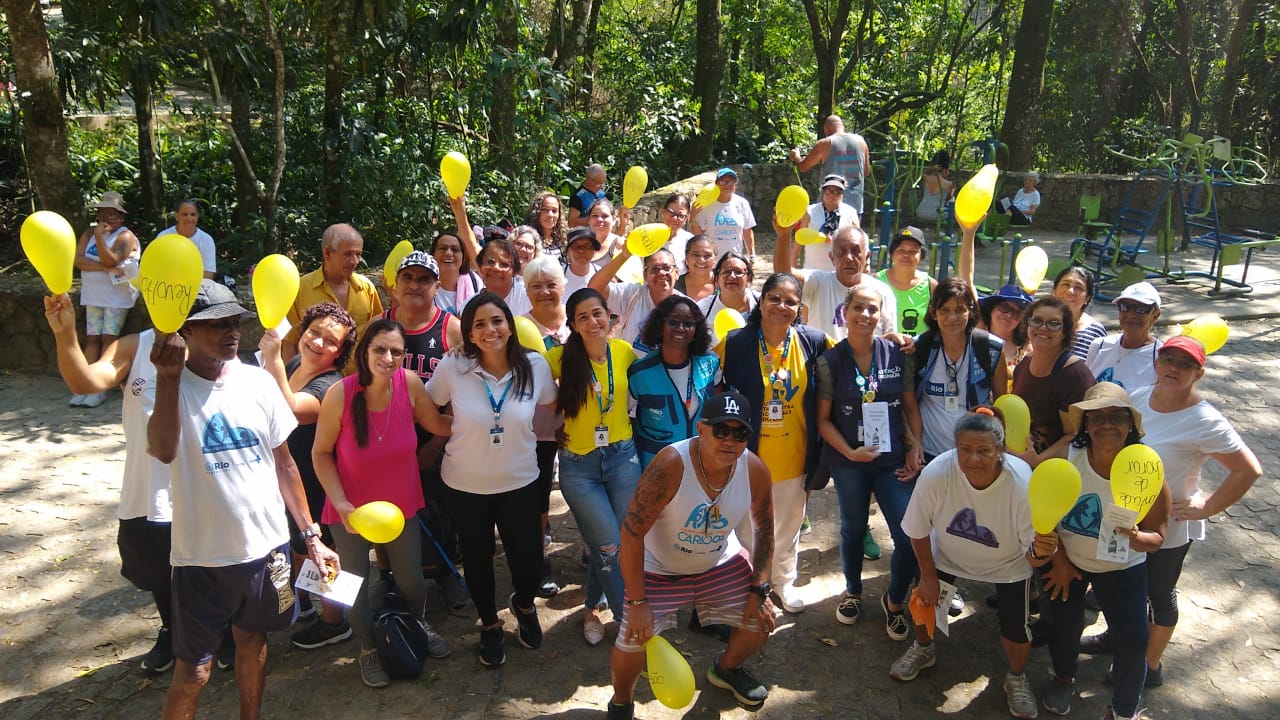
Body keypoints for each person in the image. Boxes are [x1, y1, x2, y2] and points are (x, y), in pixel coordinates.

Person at [145, 280, 340, 718]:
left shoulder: (258, 383)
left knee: (253, 642)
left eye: (235, 322)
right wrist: (168, 379)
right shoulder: (171, 387)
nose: (232, 333)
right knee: (193, 674)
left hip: (266, 552)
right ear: (186, 333)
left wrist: (311, 537)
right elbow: (161, 450)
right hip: (202, 560)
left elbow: (286, 466)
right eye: (218, 325)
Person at [1082, 337, 1261, 687]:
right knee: (1121, 589)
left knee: (1158, 594)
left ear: (1199, 373)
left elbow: (1248, 469)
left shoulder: (1205, 420)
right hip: (1125, 522)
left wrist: (1207, 506)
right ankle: (1116, 639)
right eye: (1168, 360)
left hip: (1169, 529)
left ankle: (1149, 665)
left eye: (1185, 364)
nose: (1174, 369)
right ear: (1157, 362)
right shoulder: (1136, 398)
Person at [605, 392, 777, 719]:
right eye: (720, 431)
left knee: (762, 619)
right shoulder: (671, 464)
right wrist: (637, 603)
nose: (729, 440)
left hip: (718, 561)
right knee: (631, 639)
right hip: (658, 568)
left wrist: (759, 589)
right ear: (701, 428)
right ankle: (622, 701)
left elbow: (766, 530)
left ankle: (725, 668)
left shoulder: (754, 470)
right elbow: (631, 531)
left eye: (739, 433)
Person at [45, 293, 187, 672]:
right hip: (149, 484)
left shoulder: (210, 345)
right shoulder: (134, 346)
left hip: (201, 483)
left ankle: (218, 633)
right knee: (157, 564)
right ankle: (172, 630)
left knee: (208, 562)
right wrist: (65, 334)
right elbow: (87, 381)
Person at [311, 318, 453, 688]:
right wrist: (340, 503)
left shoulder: (409, 384)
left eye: (396, 351)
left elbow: (437, 425)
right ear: (364, 351)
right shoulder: (340, 395)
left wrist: (483, 414)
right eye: (380, 349)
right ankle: (367, 647)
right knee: (353, 584)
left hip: (401, 505)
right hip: (350, 511)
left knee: (412, 582)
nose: (388, 358)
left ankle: (416, 627)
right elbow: (321, 453)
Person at [426, 293, 558, 666]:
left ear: (510, 326)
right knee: (479, 559)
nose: (489, 330)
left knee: (527, 559)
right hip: (466, 485)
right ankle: (488, 624)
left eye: (496, 321)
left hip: (521, 481)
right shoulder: (453, 368)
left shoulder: (535, 366)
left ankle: (524, 604)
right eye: (479, 325)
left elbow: (550, 404)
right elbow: (427, 402)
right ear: (468, 333)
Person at [893, 409, 1046, 720]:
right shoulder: (938, 472)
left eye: (984, 451)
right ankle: (923, 649)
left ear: (1000, 451)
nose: (973, 459)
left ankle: (1016, 677)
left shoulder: (1021, 483)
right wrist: (928, 576)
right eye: (965, 449)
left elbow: (1031, 555)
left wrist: (1043, 554)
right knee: (922, 599)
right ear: (955, 447)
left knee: (1016, 627)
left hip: (1009, 563)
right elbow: (917, 529)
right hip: (947, 554)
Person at [1037, 383, 1171, 720]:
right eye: (1097, 418)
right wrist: (1061, 560)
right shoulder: (1067, 458)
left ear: (1131, 425)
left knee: (1134, 641)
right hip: (1069, 560)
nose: (1106, 425)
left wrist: (1139, 538)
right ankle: (1064, 677)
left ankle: (1124, 710)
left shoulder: (1147, 469)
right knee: (1063, 626)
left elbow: (1159, 536)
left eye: (1116, 417)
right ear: (1084, 425)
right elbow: (1041, 513)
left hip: (1123, 567)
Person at [719, 273, 834, 614]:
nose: (781, 307)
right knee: (745, 527)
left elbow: (851, 359)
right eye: (774, 298)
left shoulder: (813, 341)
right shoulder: (736, 342)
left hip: (794, 454)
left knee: (787, 527)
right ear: (762, 300)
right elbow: (705, 375)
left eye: (790, 301)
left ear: (800, 308)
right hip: (748, 457)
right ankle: (749, 586)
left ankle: (782, 582)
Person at [814, 285, 925, 633]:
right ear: (844, 312)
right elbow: (822, 420)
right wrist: (849, 452)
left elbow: (909, 405)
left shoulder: (897, 352)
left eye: (872, 309)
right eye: (858, 307)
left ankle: (894, 600)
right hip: (849, 460)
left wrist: (915, 445)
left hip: (891, 460)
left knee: (908, 535)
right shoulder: (830, 361)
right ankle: (853, 591)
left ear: (881, 315)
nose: (865, 315)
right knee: (853, 526)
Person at [544, 288, 642, 646]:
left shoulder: (624, 352)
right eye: (582, 317)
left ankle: (591, 607)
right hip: (579, 467)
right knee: (608, 545)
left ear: (609, 316)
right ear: (572, 324)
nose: (592, 321)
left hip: (622, 459)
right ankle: (630, 624)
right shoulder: (557, 357)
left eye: (597, 313)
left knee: (619, 543)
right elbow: (513, 367)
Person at [258, 303, 358, 650]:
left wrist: (271, 360)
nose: (317, 342)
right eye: (314, 332)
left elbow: (291, 410)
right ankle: (306, 608)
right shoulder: (297, 363)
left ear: (340, 352)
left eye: (330, 341)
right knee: (300, 548)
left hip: (316, 483)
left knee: (324, 551)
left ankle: (335, 621)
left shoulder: (330, 385)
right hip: (290, 476)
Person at [910, 277, 1008, 462]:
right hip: (930, 454)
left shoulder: (991, 349)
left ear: (971, 311)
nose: (952, 318)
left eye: (960, 310)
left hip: (975, 455)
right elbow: (908, 402)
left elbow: (1001, 405)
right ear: (933, 312)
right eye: (944, 310)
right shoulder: (920, 348)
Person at [521, 256, 572, 597]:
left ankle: (594, 552)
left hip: (578, 427)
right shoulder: (517, 329)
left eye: (551, 284)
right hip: (535, 430)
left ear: (563, 286)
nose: (544, 292)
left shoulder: (580, 321)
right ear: (526, 291)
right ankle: (537, 561)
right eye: (536, 286)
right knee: (538, 500)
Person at [629, 296, 720, 468]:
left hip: (700, 463)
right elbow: (622, 416)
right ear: (660, 326)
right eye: (673, 322)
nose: (681, 328)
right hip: (655, 465)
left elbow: (717, 409)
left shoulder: (710, 364)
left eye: (688, 323)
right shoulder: (640, 372)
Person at [774, 222, 898, 341]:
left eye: (856, 251)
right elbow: (784, 276)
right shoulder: (818, 283)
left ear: (867, 256)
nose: (849, 258)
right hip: (823, 361)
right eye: (841, 252)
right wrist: (784, 235)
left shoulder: (882, 292)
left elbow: (890, 338)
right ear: (832, 257)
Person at [73, 191, 141, 407]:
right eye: (102, 213)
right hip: (92, 296)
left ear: (121, 217)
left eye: (112, 214)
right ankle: (84, 384)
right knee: (92, 339)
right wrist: (101, 267)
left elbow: (111, 260)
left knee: (108, 339)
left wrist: (101, 238)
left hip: (115, 298)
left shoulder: (125, 236)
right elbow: (77, 260)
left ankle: (100, 388)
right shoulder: (87, 234)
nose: (106, 218)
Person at [1011, 297, 1096, 466]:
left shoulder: (1075, 376)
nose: (1043, 328)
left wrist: (1037, 460)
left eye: (1054, 323)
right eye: (1037, 321)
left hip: (1055, 471)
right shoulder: (1023, 365)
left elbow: (1075, 436)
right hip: (1020, 464)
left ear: (1065, 332)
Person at [283, 223, 384, 360]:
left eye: (358, 254)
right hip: (315, 379)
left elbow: (379, 334)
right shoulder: (300, 288)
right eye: (348, 254)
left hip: (359, 378)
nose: (355, 261)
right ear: (327, 253)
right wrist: (292, 379)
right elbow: (289, 342)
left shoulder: (366, 288)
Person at [589, 246, 685, 352]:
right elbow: (595, 289)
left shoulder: (688, 307)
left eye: (667, 268)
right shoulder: (633, 294)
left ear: (677, 273)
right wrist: (624, 255)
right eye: (655, 269)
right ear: (645, 275)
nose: (661, 273)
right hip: (631, 367)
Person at [1086, 281, 1162, 390]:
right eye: (1124, 307)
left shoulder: (1159, 357)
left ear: (1155, 315)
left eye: (1140, 309)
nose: (1131, 315)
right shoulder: (1099, 346)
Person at [788, 114, 871, 213]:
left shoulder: (825, 143)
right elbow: (866, 172)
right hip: (855, 206)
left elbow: (803, 167)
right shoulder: (861, 141)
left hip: (830, 206)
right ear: (842, 126)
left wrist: (796, 156)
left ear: (826, 130)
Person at [876, 226, 936, 337]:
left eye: (913, 252)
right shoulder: (876, 281)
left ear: (921, 255)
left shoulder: (931, 286)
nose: (906, 255)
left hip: (918, 350)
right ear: (892, 253)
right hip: (883, 348)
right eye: (901, 250)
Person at [795, 174, 860, 271]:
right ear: (823, 192)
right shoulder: (810, 211)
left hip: (840, 271)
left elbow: (858, 242)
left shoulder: (850, 213)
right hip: (812, 270)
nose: (832, 195)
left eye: (836, 192)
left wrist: (864, 266)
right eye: (828, 191)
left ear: (842, 194)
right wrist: (792, 263)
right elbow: (799, 239)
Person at [690, 167, 757, 259]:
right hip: (712, 259)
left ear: (735, 185)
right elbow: (699, 235)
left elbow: (747, 231)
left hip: (735, 258)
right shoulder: (706, 205)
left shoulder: (742, 203)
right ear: (716, 184)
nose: (727, 185)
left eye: (730, 182)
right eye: (723, 181)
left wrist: (752, 255)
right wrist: (692, 219)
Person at [697, 251, 759, 345]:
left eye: (738, 272)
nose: (732, 276)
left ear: (748, 278)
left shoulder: (762, 303)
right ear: (717, 278)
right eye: (726, 272)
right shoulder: (702, 310)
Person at [1051, 266, 1107, 360]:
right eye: (1065, 285)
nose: (1070, 291)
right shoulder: (1039, 322)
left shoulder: (1095, 333)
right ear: (1054, 291)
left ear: (1087, 298)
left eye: (1078, 288)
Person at [156, 199, 216, 279]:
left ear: (197, 216)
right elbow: (156, 266)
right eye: (184, 214)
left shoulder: (206, 240)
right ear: (176, 216)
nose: (189, 218)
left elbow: (208, 273)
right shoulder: (163, 237)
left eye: (193, 214)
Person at [914, 151, 955, 224]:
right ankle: (947, 231)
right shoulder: (949, 184)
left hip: (920, 213)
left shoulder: (927, 178)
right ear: (945, 169)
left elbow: (920, 174)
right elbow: (948, 200)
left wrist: (932, 168)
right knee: (952, 206)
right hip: (937, 215)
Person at [585, 197, 627, 265]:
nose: (599, 219)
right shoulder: (579, 244)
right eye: (595, 216)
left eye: (605, 216)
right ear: (589, 220)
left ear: (613, 220)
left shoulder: (622, 245)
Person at [674, 234, 717, 301]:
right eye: (696, 255)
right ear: (686, 258)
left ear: (715, 259)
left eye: (707, 255)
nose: (701, 260)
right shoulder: (674, 287)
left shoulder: (724, 285)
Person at [659, 193, 695, 272]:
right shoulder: (648, 236)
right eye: (671, 212)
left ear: (686, 219)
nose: (675, 218)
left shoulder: (690, 241)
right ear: (663, 212)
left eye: (681, 215)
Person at [527, 190, 568, 258]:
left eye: (554, 211)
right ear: (537, 212)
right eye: (545, 210)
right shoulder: (528, 240)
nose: (550, 215)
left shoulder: (563, 240)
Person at [563, 226, 601, 297]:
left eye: (587, 246)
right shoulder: (557, 275)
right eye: (575, 246)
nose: (581, 251)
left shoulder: (602, 275)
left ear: (593, 251)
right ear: (568, 251)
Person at [568, 163, 607, 228]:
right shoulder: (578, 197)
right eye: (598, 183)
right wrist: (592, 218)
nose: (601, 187)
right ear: (589, 179)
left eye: (603, 183)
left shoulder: (601, 193)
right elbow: (571, 223)